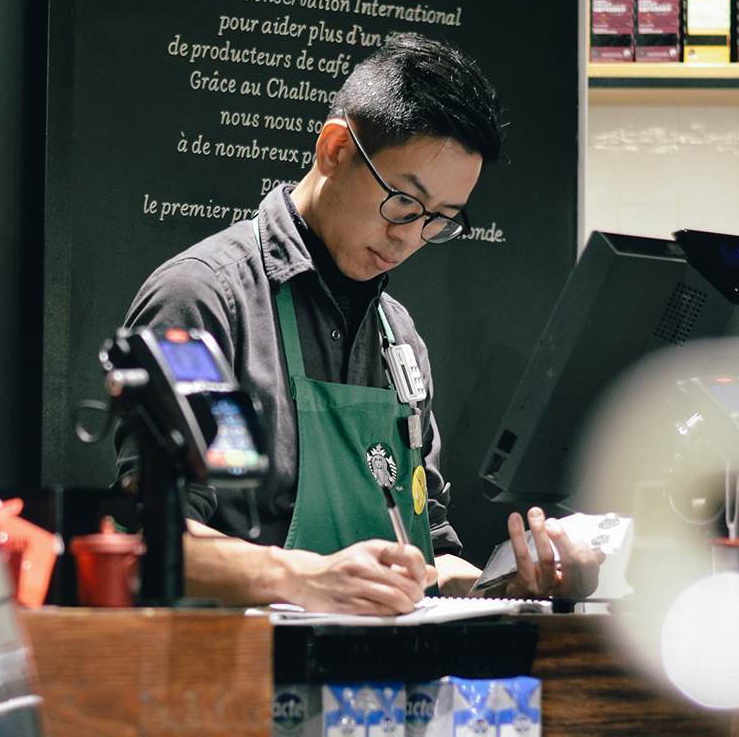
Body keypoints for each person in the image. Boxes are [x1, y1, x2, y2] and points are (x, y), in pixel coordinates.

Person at [116, 33, 602, 614]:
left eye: (439, 220)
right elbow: (151, 541)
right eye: (403, 202)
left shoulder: (400, 336)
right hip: (244, 665)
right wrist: (305, 577)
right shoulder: (206, 302)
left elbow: (430, 556)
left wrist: (511, 587)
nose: (409, 237)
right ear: (335, 149)